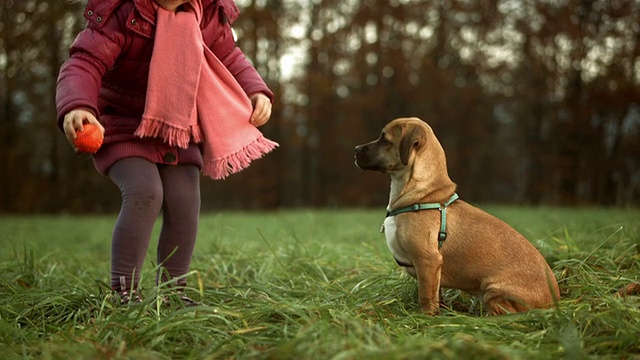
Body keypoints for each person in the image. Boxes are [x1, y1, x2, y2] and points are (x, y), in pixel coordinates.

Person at [56, 0, 274, 305]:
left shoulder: (207, 14)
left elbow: (229, 56)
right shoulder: (124, 14)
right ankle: (124, 293)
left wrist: (256, 89)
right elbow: (85, 63)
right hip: (122, 125)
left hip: (178, 127)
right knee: (145, 192)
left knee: (185, 200)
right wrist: (77, 105)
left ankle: (173, 294)